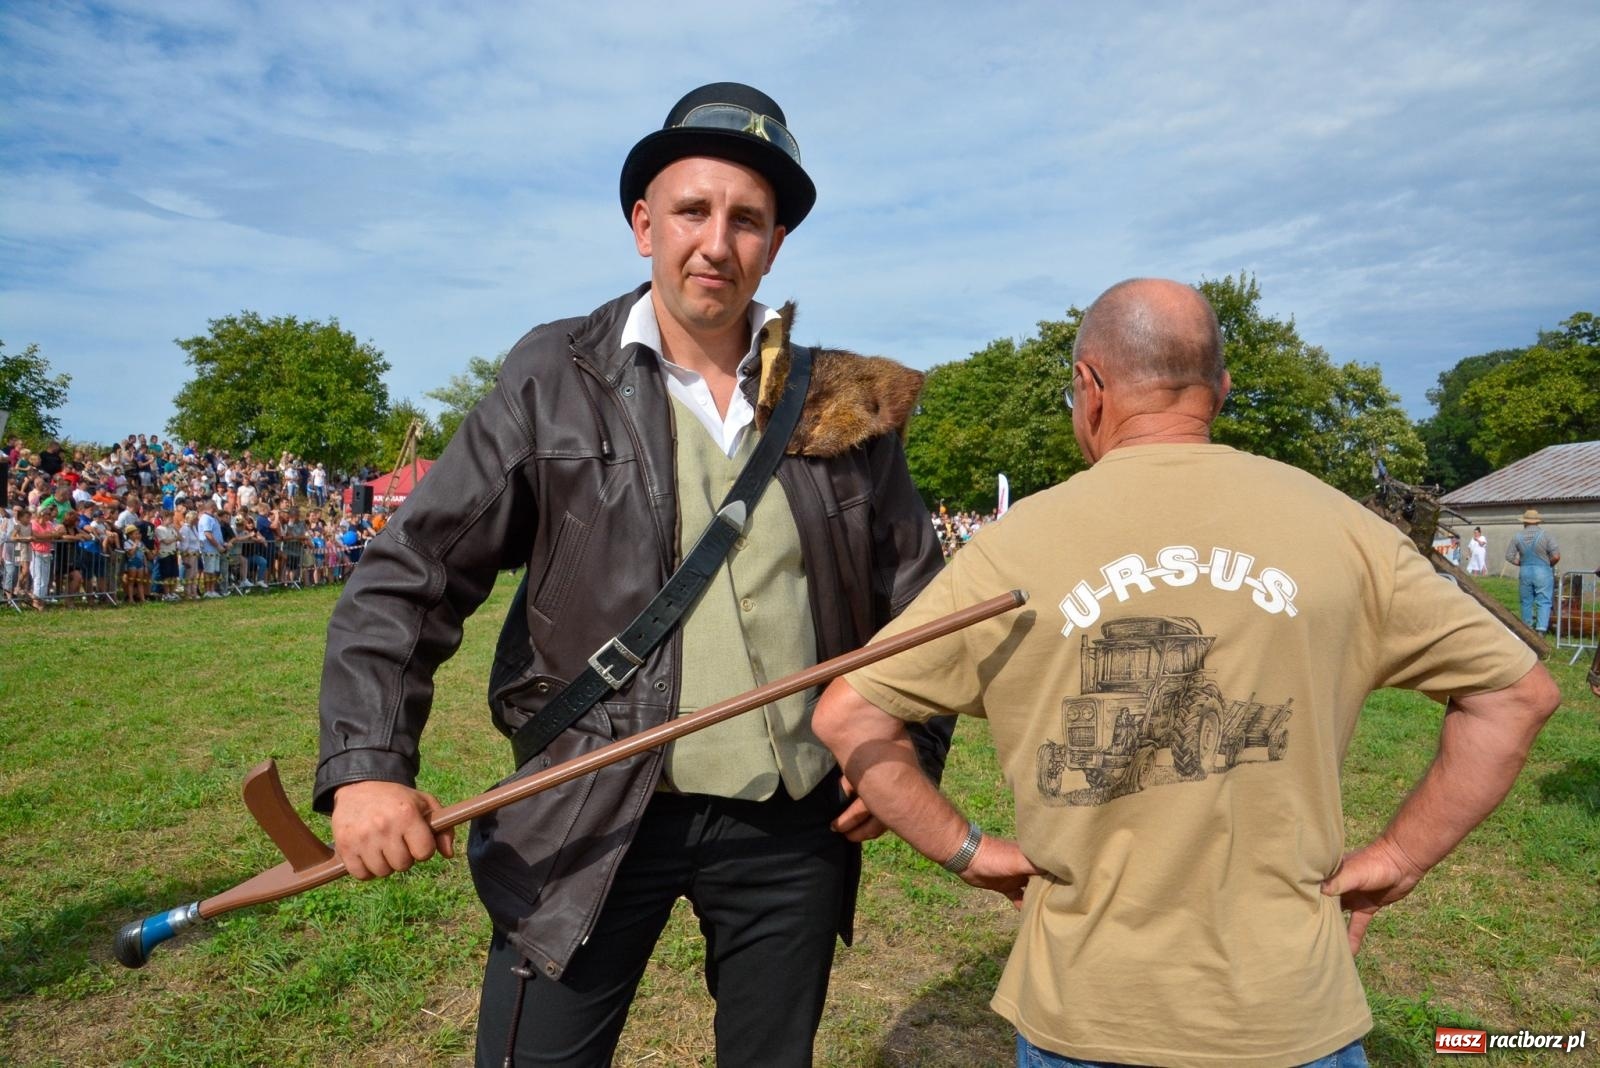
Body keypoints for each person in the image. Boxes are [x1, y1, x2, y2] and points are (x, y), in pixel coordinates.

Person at [313, 82, 948, 1068]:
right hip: (590, 802)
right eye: (692, 211)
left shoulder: (841, 400)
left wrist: (910, 749)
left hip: (793, 821)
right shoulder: (552, 377)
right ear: (642, 224)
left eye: (747, 220)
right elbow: (412, 576)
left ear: (775, 245)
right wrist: (366, 769)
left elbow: (924, 605)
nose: (716, 242)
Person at [813, 278, 1562, 1068]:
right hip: (1288, 1009)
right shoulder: (1340, 527)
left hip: (1087, 1007)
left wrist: (972, 852)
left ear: (1088, 387)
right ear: (1222, 389)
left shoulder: (1016, 544)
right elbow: (1518, 694)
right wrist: (1400, 857)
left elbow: (846, 716)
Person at [1505, 508, 1560, 632]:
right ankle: (1540, 630)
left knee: (1526, 601)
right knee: (1544, 601)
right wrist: (1548, 564)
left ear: (1524, 522)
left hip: (1525, 571)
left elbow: (1509, 556)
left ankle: (1527, 629)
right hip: (1543, 571)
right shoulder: (1546, 536)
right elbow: (1556, 556)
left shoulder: (1517, 537)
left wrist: (1521, 563)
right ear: (1538, 522)